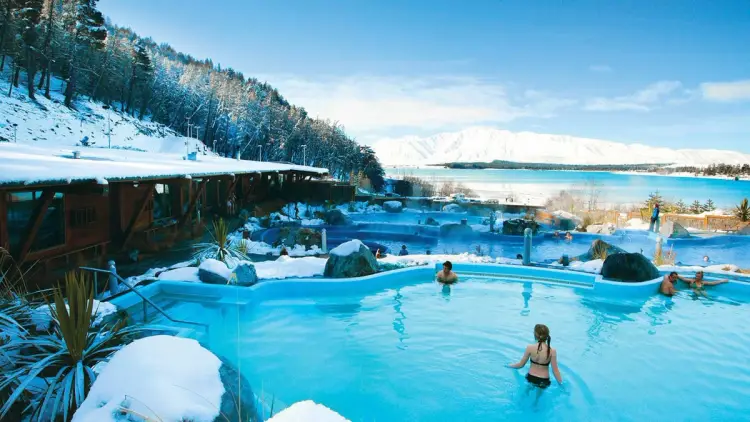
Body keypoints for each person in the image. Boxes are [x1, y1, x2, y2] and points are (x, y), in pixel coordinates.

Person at [507, 324, 563, 389]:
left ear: (535, 335)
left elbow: (520, 365)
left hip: (531, 377)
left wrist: (509, 365)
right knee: (538, 398)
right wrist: (561, 384)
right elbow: (555, 371)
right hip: (544, 380)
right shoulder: (552, 351)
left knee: (525, 394)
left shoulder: (530, 348)